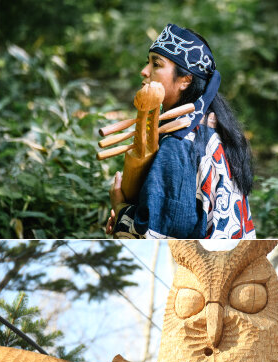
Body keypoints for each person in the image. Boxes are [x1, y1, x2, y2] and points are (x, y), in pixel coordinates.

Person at [106, 24, 255, 239]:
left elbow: (158, 233)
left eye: (156, 64)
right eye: (147, 62)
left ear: (185, 80)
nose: (145, 71)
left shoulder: (180, 142)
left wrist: (120, 208)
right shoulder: (213, 125)